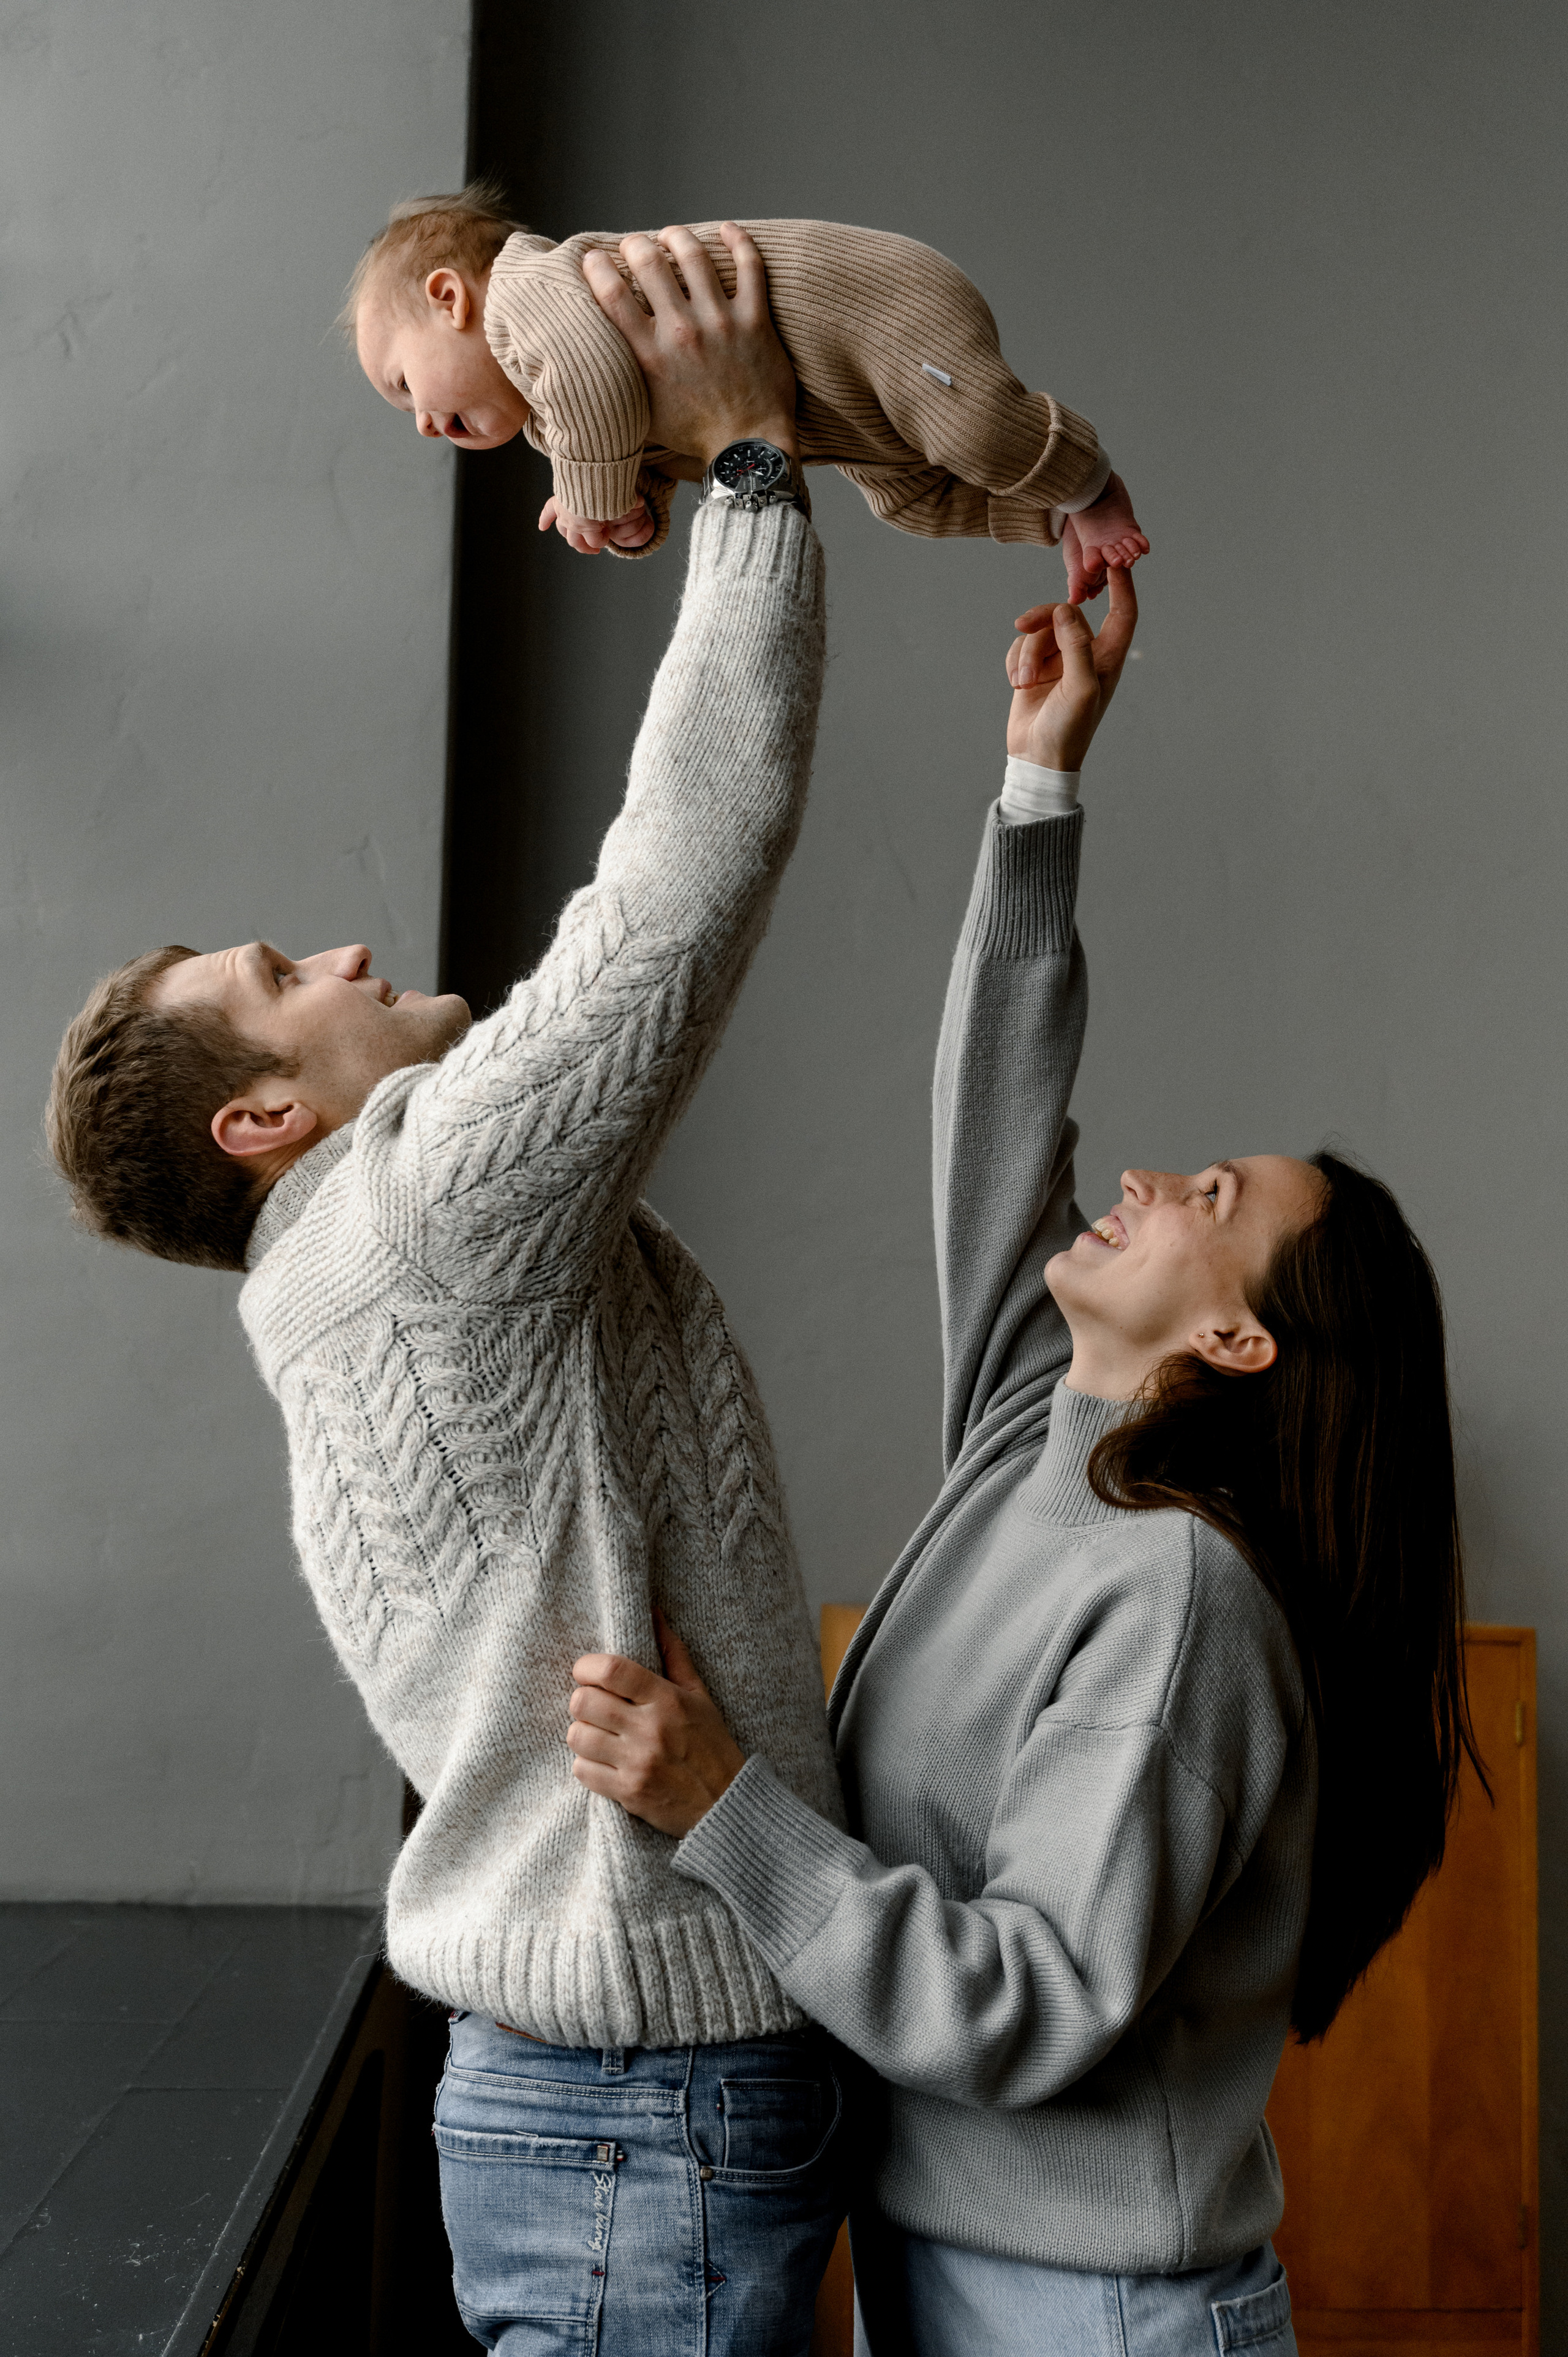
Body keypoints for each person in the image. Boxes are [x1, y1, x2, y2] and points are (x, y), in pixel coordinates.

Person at [46, 233, 855, 2356]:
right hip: (640, 2106)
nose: (326, 953)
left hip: (616, 2097)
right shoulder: (416, 1214)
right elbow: (680, 876)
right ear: (261, 1123)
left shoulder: (345, 1278)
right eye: (271, 987)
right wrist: (756, 467)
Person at [563, 569, 1480, 2355]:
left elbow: (1040, 1994)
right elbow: (995, 1131)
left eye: (1209, 1204)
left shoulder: (1182, 1600)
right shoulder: (1037, 1429)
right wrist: (1040, 784)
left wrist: (724, 1814)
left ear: (1239, 1343)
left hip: (1099, 2313)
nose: (1145, 1179)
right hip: (960, 2281)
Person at [349, 189, 1150, 602]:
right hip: (840, 416)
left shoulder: (533, 294)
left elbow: (594, 377)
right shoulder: (552, 422)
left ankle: (1085, 479)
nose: (421, 424)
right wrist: (631, 515)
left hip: (869, 313)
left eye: (402, 384)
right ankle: (1053, 511)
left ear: (451, 299)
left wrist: (588, 494)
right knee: (911, 504)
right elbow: (659, 448)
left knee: (972, 427)